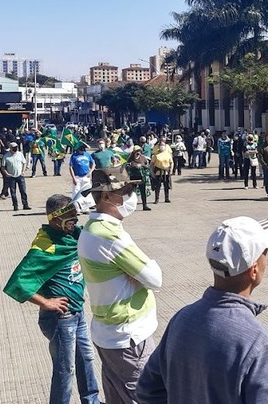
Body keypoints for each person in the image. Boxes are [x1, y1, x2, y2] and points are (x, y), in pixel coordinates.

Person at [136, 217, 268, 402]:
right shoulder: (259, 343)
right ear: (253, 270)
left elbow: (147, 390)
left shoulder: (182, 319)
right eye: (265, 253)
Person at [4, 195, 101, 404]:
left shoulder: (74, 236)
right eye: (69, 219)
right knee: (66, 369)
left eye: (75, 218)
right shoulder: (45, 247)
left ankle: (91, 400)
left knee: (86, 359)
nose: (74, 223)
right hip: (60, 318)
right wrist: (46, 302)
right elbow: (18, 282)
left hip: (78, 313)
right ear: (55, 220)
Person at [79, 168, 163, 404]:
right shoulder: (109, 235)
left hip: (110, 333)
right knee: (147, 397)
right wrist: (144, 268)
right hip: (129, 337)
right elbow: (155, 278)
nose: (131, 196)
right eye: (125, 191)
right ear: (106, 197)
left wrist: (135, 272)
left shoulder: (92, 229)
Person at [1, 142, 31, 212]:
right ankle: (15, 206)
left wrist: (23, 171)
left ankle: (25, 205)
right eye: (14, 148)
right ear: (10, 148)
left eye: (16, 147)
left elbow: (24, 163)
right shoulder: (6, 156)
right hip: (11, 177)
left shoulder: (20, 154)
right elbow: (3, 167)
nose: (15, 149)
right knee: (13, 192)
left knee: (23, 191)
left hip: (20, 176)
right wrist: (6, 173)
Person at [69, 145, 96, 214]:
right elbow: (70, 167)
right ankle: (77, 208)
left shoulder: (87, 155)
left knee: (86, 192)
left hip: (86, 176)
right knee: (76, 192)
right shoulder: (74, 156)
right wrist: (73, 178)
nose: (82, 151)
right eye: (81, 149)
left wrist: (90, 172)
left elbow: (93, 163)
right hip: (77, 176)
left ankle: (85, 208)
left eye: (83, 149)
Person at [150, 140, 173, 204]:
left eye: (163, 145)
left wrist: (171, 169)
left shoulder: (168, 154)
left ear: (165, 146)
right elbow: (151, 164)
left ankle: (167, 198)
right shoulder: (155, 155)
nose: (161, 147)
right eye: (160, 145)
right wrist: (152, 172)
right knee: (157, 187)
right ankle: (156, 199)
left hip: (166, 172)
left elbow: (171, 162)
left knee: (166, 186)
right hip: (158, 172)